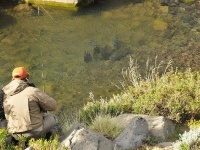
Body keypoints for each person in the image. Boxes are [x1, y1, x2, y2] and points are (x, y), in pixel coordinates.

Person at [2, 67, 60, 141]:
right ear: (27, 78)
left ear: (13, 78)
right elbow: (53, 106)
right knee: (54, 119)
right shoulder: (32, 91)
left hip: (14, 134)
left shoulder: (5, 94)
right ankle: (48, 139)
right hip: (33, 132)